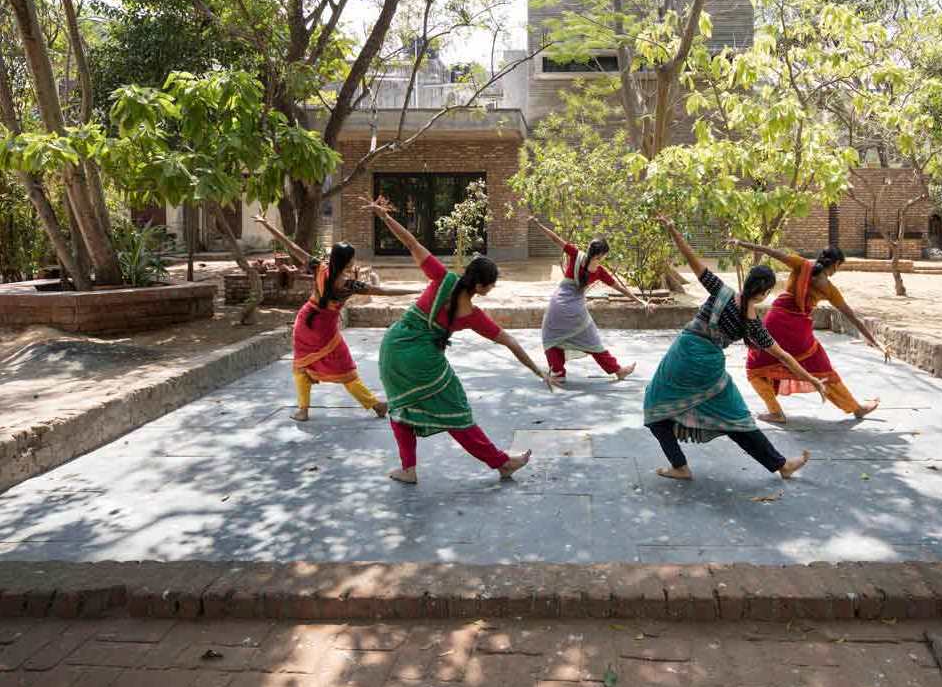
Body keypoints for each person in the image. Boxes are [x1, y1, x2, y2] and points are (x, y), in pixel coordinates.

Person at [369, 196, 558, 483]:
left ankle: (408, 469)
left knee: (400, 407)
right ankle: (501, 462)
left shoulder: (441, 277)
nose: (492, 288)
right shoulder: (473, 315)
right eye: (492, 285)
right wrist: (538, 371)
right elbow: (510, 341)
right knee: (456, 412)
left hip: (393, 348)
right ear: (480, 286)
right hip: (421, 360)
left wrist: (384, 217)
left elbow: (411, 242)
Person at [643, 215, 821, 482]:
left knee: (655, 406)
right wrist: (812, 379)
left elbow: (693, 260)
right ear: (764, 293)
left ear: (748, 282)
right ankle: (781, 465)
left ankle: (679, 466)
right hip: (709, 369)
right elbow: (783, 356)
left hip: (683, 355)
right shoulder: (754, 325)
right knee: (736, 418)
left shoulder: (721, 292)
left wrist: (672, 229)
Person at [253, 214, 416, 423]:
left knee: (301, 366)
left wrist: (267, 224)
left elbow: (291, 246)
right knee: (345, 369)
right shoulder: (349, 285)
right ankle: (376, 405)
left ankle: (303, 410)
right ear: (348, 261)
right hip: (325, 329)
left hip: (305, 322)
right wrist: (417, 290)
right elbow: (383, 291)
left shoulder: (319, 268)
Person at [729, 240, 882, 423]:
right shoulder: (829, 289)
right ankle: (856, 408)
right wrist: (873, 340)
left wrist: (740, 243)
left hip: (774, 323)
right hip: (799, 334)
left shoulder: (801, 265)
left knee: (755, 366)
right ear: (835, 265)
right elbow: (852, 316)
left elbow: (770, 251)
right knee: (824, 370)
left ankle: (775, 412)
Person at [529, 216, 650, 384]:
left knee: (551, 336)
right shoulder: (600, 271)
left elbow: (555, 238)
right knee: (592, 341)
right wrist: (640, 301)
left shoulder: (576, 255)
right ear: (602, 254)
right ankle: (618, 370)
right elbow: (620, 288)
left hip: (557, 304)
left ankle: (557, 372)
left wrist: (538, 224)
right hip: (575, 309)